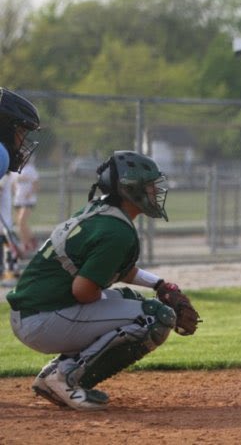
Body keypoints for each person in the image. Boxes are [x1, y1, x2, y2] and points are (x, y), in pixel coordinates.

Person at [6, 151, 201, 411]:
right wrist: (107, 309)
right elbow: (83, 291)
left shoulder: (101, 211)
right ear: (130, 190)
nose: (156, 193)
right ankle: (65, 378)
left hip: (35, 312)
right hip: (43, 319)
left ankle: (53, 375)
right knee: (154, 317)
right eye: (150, 187)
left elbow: (114, 267)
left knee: (131, 304)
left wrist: (159, 285)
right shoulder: (116, 231)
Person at [0, 88, 40, 286]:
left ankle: (10, 273)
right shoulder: (1, 153)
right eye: (21, 131)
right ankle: (10, 273)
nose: (23, 140)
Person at [13, 153, 39, 254]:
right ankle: (26, 243)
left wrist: (29, 193)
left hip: (28, 201)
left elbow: (36, 184)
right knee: (21, 225)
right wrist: (15, 192)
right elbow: (15, 183)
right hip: (18, 200)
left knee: (21, 222)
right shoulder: (16, 169)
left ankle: (31, 242)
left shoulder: (31, 169)